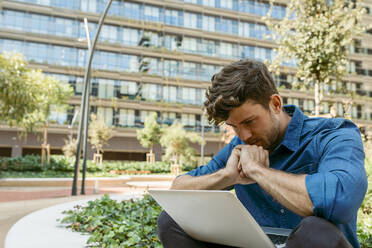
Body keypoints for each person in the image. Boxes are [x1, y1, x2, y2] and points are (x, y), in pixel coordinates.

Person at [157, 59, 368, 248]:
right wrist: (227, 176)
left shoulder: (333, 134)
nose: (244, 135)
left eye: (249, 122)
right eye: (234, 126)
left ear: (275, 104)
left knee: (316, 232)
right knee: (172, 221)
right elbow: (179, 189)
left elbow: (340, 202)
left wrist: (258, 171)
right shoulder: (238, 147)